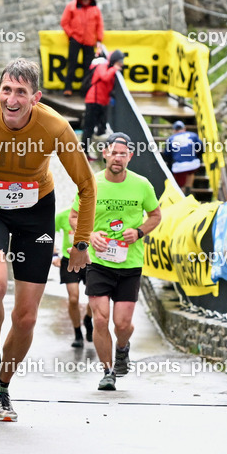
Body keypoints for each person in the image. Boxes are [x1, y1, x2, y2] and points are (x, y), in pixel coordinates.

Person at [0, 58, 96, 422]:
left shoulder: (55, 127)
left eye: (21, 93)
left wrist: (81, 243)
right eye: (7, 90)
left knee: (26, 317)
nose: (12, 99)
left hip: (35, 213)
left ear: (36, 97)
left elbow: (87, 185)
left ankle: (2, 389)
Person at [69, 132, 161, 391]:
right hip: (98, 263)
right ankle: (107, 371)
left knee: (122, 323)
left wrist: (139, 232)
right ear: (105, 154)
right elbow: (74, 217)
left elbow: (156, 215)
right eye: (113, 152)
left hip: (130, 264)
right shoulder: (92, 183)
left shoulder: (142, 184)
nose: (118, 157)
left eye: (123, 153)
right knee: (100, 319)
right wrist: (90, 234)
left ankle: (122, 348)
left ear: (130, 156)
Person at [51, 207, 92, 348]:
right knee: (73, 298)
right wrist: (55, 255)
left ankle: (88, 319)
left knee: (94, 297)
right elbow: (49, 232)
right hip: (69, 260)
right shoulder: (63, 216)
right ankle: (78, 334)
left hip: (90, 260)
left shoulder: (94, 214)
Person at [60, 0, 105, 95]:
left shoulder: (95, 10)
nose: (85, 0)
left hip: (90, 41)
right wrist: (71, 34)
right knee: (72, 64)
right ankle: (68, 88)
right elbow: (64, 22)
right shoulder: (71, 6)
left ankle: (85, 90)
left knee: (88, 66)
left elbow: (100, 25)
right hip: (75, 40)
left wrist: (99, 39)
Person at [81, 49, 124, 161]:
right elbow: (104, 77)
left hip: (102, 102)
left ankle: (94, 153)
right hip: (93, 101)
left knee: (102, 128)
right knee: (88, 128)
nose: (121, 66)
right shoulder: (102, 66)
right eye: (119, 63)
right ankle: (83, 154)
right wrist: (114, 69)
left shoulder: (111, 69)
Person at [162, 120, 203, 195]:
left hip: (179, 166)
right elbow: (201, 148)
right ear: (184, 128)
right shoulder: (193, 135)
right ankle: (188, 189)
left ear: (174, 130)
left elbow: (167, 154)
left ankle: (183, 195)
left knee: (180, 185)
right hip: (193, 164)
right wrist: (196, 156)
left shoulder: (170, 139)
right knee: (190, 172)